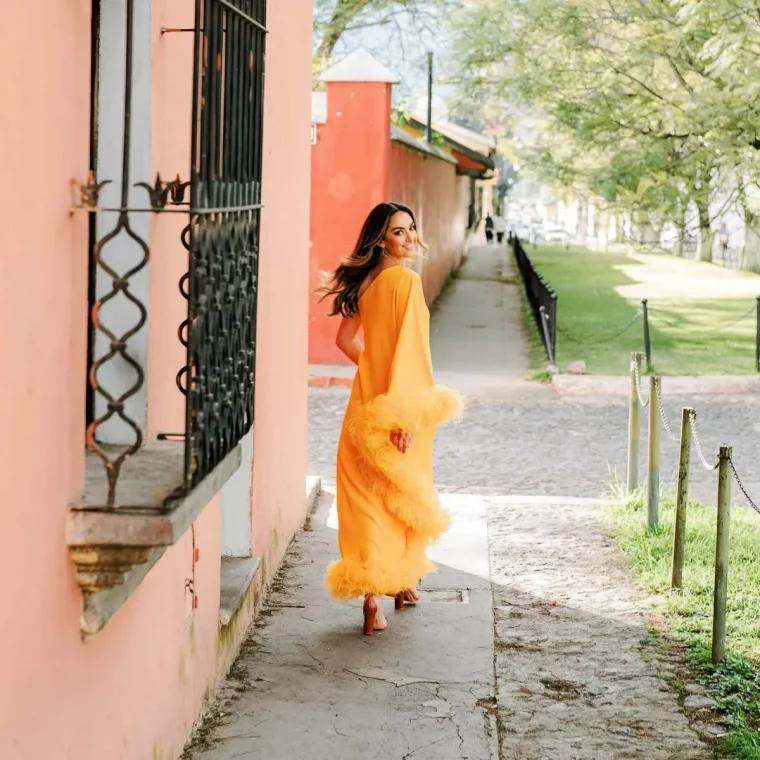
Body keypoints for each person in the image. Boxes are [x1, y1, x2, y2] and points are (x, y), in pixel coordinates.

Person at [317, 202, 462, 635]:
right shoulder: (406, 281)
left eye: (413, 228)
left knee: (366, 498)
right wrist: (404, 417)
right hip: (399, 407)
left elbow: (346, 340)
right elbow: (413, 353)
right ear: (383, 239)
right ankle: (400, 583)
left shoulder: (367, 282)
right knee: (402, 495)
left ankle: (374, 599)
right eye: (401, 232)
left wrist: (372, 370)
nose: (412, 237)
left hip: (364, 404)